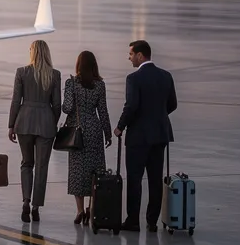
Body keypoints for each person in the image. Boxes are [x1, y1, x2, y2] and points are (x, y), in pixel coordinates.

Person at [115, 40, 177, 233]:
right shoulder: (166, 76)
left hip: (138, 137)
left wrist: (120, 126)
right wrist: (157, 116)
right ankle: (152, 221)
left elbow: (131, 106)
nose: (129, 57)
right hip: (160, 135)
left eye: (131, 54)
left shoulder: (134, 79)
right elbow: (172, 104)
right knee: (155, 179)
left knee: (135, 179)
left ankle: (133, 220)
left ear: (140, 55)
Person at [8, 39, 61, 223]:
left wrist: (11, 124)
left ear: (32, 52)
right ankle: (36, 206)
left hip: (24, 122)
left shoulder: (22, 72)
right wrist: (52, 122)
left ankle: (25, 201)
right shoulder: (54, 75)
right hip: (46, 123)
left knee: (26, 163)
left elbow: (16, 101)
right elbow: (57, 105)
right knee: (42, 166)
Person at [63, 50, 113, 225]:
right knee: (95, 171)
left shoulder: (71, 83)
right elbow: (103, 112)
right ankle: (91, 209)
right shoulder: (100, 85)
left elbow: (67, 108)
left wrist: (69, 95)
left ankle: (79, 211)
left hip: (77, 132)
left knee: (78, 172)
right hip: (94, 130)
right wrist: (108, 133)